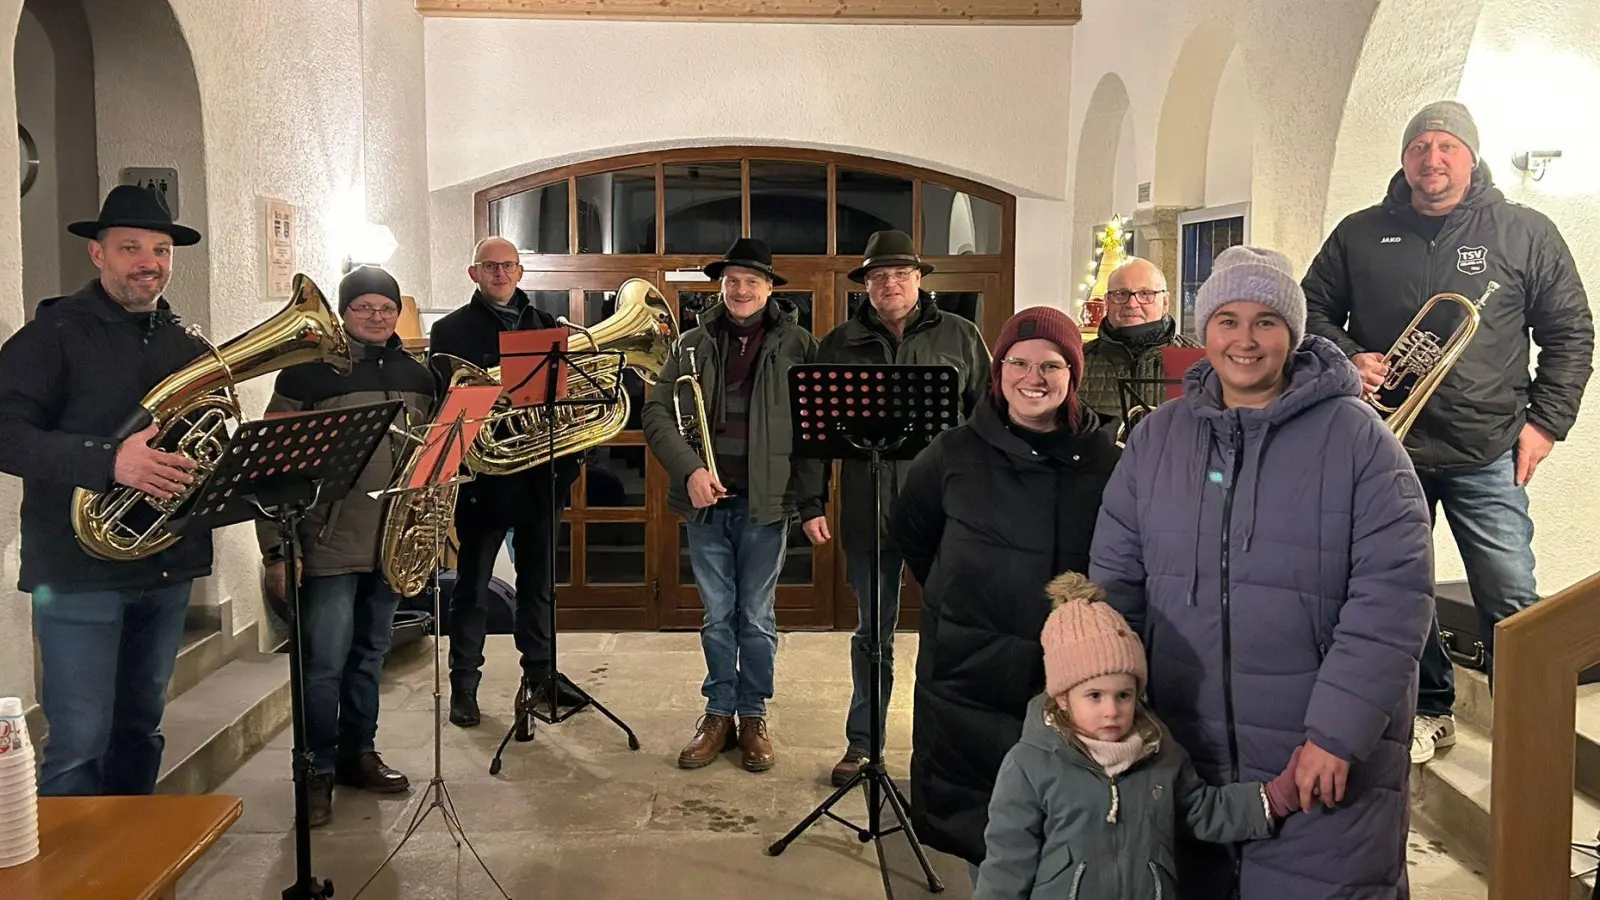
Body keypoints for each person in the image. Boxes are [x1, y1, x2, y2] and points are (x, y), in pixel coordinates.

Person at [1092, 246, 1435, 899]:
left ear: (1294, 333)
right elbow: (1114, 584)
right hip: (1182, 753)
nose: (1244, 340)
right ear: (1203, 329)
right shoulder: (1158, 439)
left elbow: (1391, 602)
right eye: (1227, 319)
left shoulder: (1362, 444)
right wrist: (1113, 711)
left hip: (1316, 765)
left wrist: (1336, 736)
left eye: (1266, 321)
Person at [1303, 100, 1594, 765]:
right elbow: (1310, 308)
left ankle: (1531, 730)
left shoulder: (1525, 232)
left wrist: (1547, 424)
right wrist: (1349, 355)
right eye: (1420, 147)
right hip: (1386, 445)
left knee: (1511, 594)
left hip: (1485, 447)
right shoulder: (1360, 232)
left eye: (1447, 147)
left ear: (1471, 155)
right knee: (1396, 588)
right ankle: (1432, 707)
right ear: (1404, 158)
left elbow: (1570, 334)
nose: (1432, 159)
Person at [889, 306, 1120, 878]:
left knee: (1068, 831)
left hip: (1068, 674)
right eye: (1018, 362)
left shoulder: (1109, 462)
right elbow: (916, 539)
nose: (1032, 377)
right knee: (988, 835)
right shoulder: (951, 454)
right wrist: (970, 601)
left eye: (1051, 364)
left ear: (1074, 373)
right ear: (998, 371)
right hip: (971, 672)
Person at [0, 185, 212, 796]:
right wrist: (107, 461)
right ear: (98, 255)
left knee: (141, 730)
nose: (149, 262)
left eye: (161, 249)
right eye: (130, 248)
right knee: (78, 744)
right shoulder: (52, 335)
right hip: (76, 571)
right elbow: (6, 434)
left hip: (166, 565)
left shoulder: (187, 345)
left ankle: (135, 872)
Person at [975, 572, 1302, 900]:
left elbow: (1203, 811)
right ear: (1063, 697)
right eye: (1094, 696)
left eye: (1124, 695)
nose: (1111, 710)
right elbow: (1008, 861)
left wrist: (1273, 799)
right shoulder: (1030, 764)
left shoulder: (1160, 753)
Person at [800, 229, 991, 787]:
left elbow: (985, 422)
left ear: (917, 280)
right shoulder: (838, 343)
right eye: (878, 277)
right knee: (872, 634)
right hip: (868, 506)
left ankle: (949, 743)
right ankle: (864, 744)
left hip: (944, 509)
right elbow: (813, 436)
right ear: (865, 285)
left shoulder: (961, 336)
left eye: (899, 275)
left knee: (953, 630)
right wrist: (812, 501)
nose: (889, 284)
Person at [257, 266, 436, 826]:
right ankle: (315, 771)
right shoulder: (307, 376)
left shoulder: (419, 376)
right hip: (326, 545)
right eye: (364, 308)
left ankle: (361, 754)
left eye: (386, 308)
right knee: (323, 665)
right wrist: (278, 552)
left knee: (369, 659)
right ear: (344, 312)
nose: (377, 318)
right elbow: (270, 467)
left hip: (390, 545)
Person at [642, 238, 818, 772]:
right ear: (721, 285)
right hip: (707, 504)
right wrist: (690, 470)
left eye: (752, 281)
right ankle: (718, 712)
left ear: (769, 289)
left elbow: (814, 431)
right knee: (717, 616)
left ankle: (753, 714)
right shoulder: (691, 343)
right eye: (732, 280)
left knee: (756, 617)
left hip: (767, 504)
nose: (741, 290)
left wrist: (811, 501)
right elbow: (656, 414)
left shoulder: (800, 346)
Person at [429, 237, 581, 732]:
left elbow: (567, 403)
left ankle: (540, 676)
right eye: (490, 266)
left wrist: (571, 462)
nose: (500, 274)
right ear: (474, 273)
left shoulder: (549, 327)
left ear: (520, 272)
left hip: (538, 476)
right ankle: (464, 687)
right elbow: (445, 408)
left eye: (508, 266)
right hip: (484, 480)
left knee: (539, 586)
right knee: (471, 587)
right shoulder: (450, 330)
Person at [1079, 257, 1198, 427]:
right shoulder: (1079, 363)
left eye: (1145, 293)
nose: (1132, 303)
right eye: (1121, 294)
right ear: (1107, 302)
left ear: (1165, 302)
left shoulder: (1202, 362)